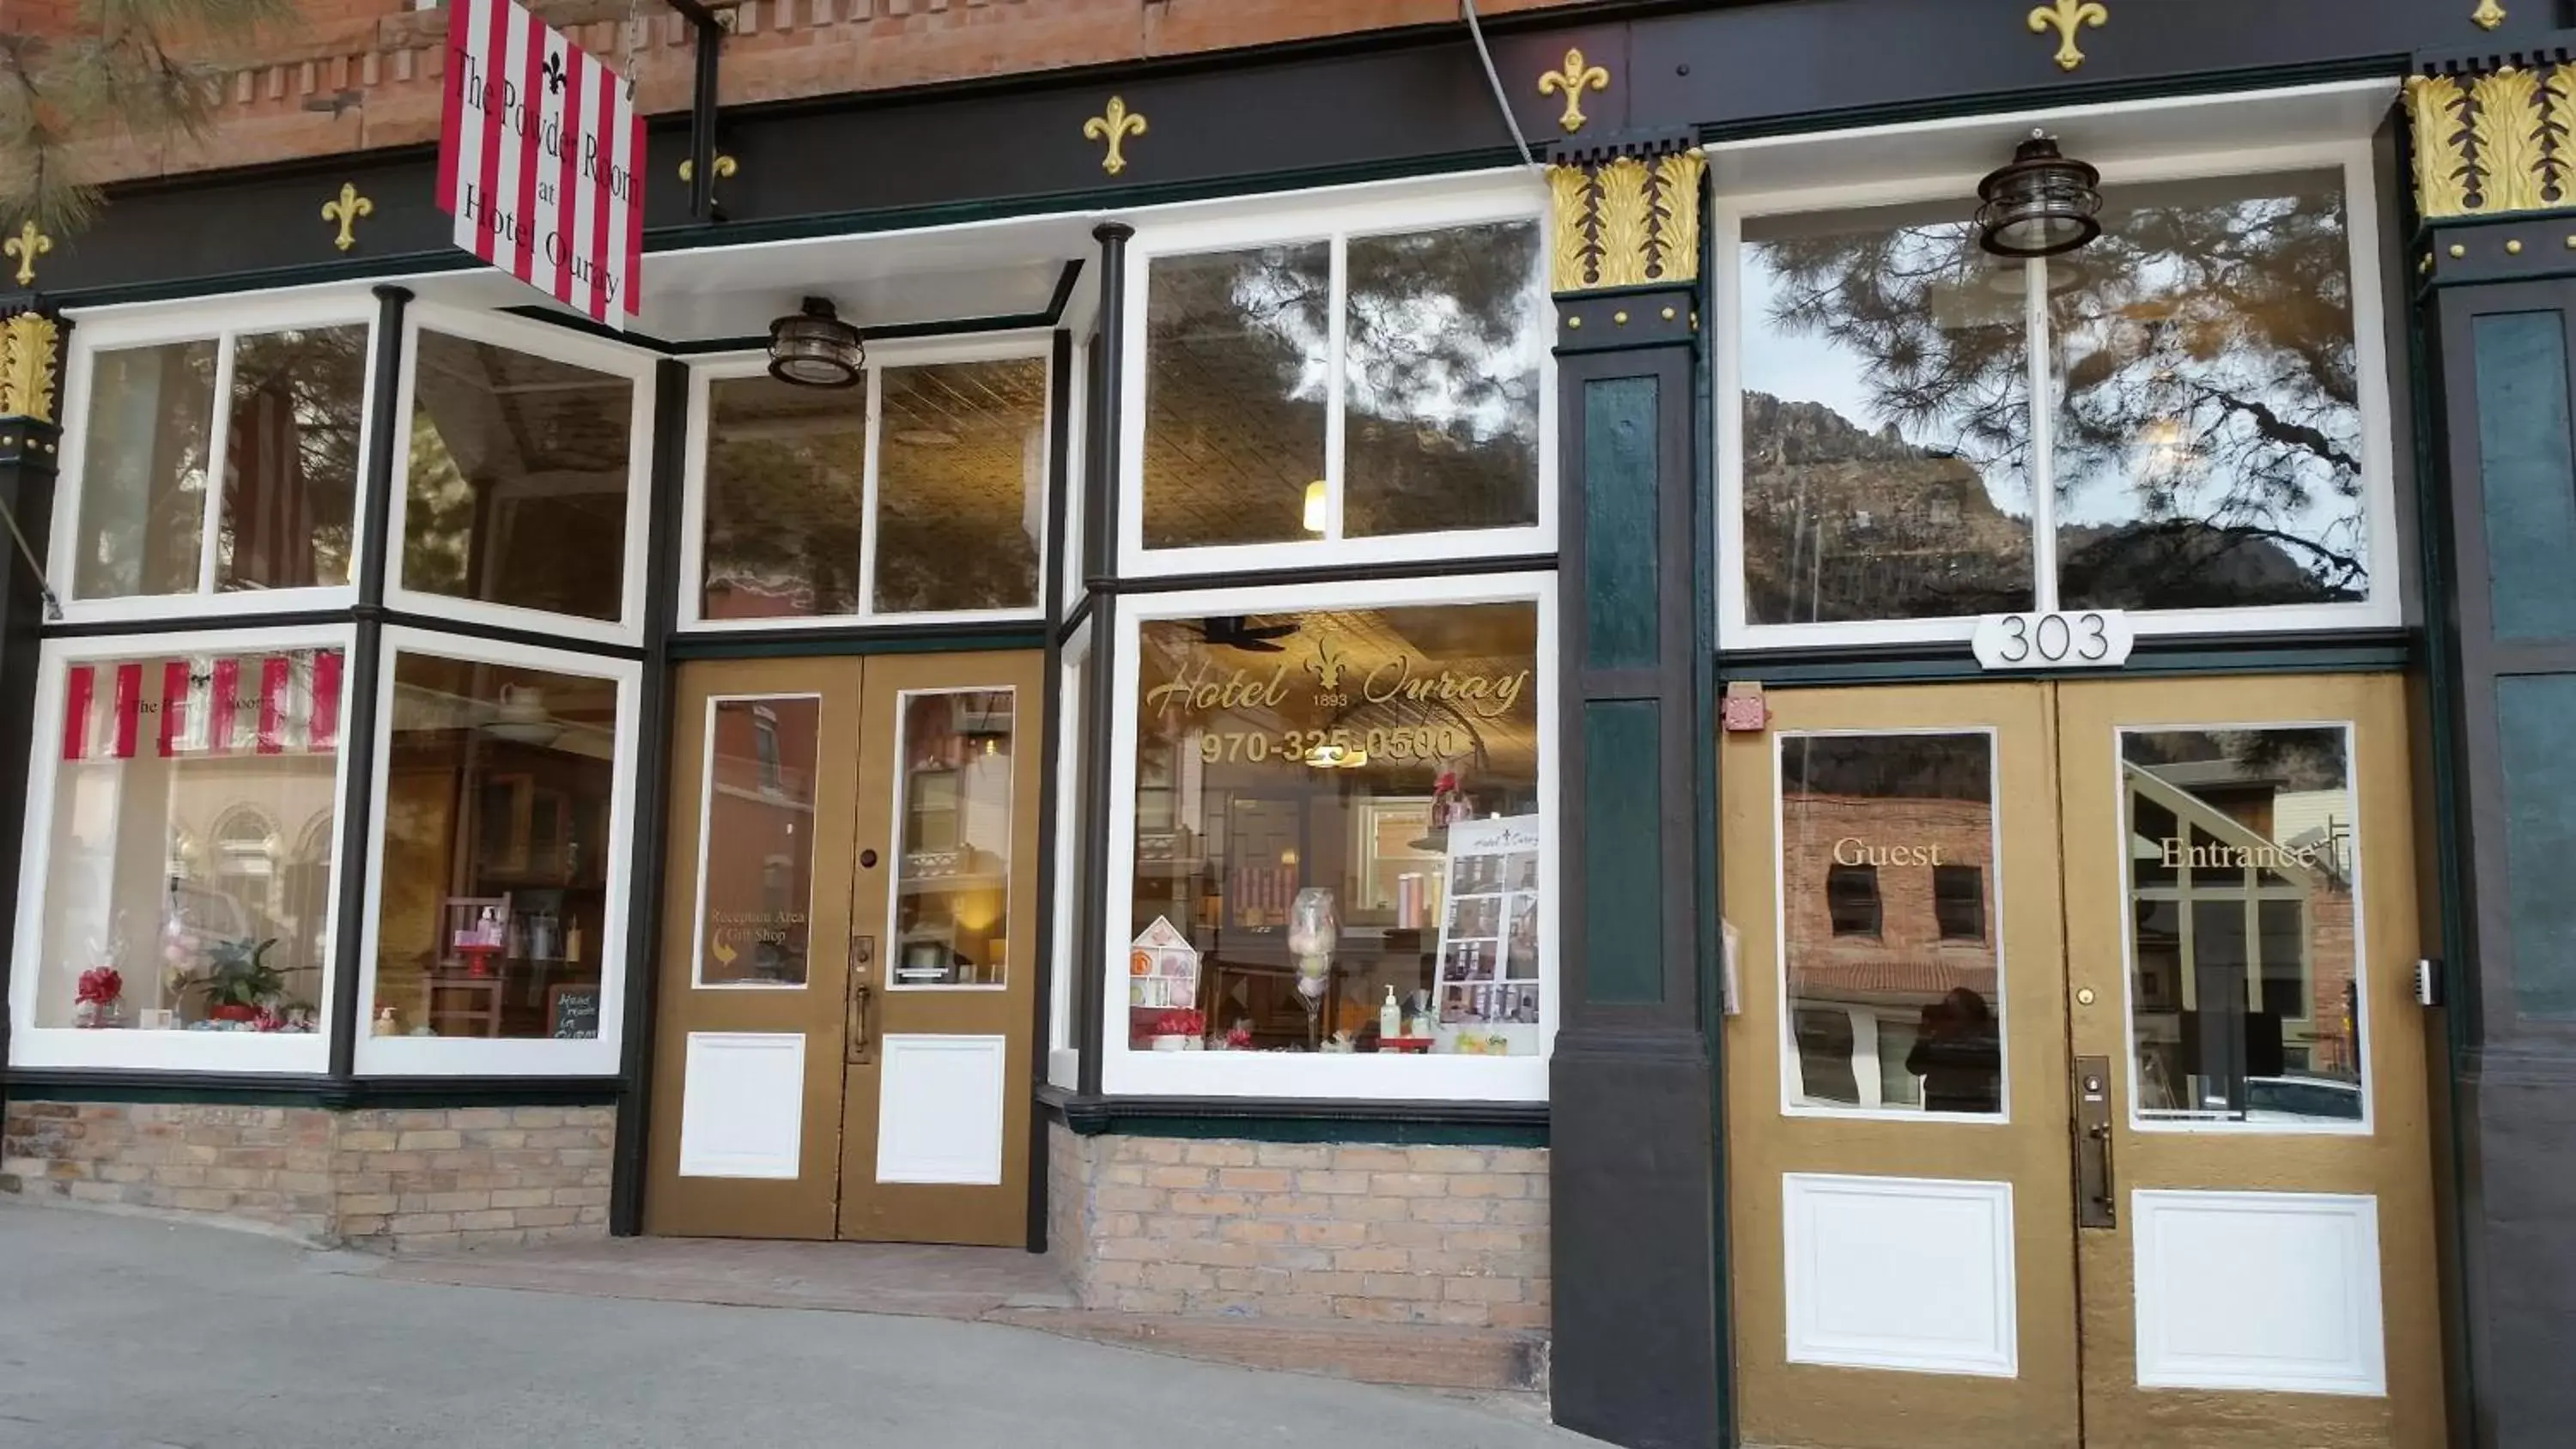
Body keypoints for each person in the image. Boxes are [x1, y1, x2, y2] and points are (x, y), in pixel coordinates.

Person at [1907, 986, 2002, 1113]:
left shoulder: (1984, 1042)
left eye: (1949, 1011)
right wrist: (1925, 1037)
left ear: (1969, 1018)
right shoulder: (1939, 1039)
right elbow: (1915, 1067)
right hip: (1938, 1105)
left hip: (1974, 1109)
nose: (1943, 1014)